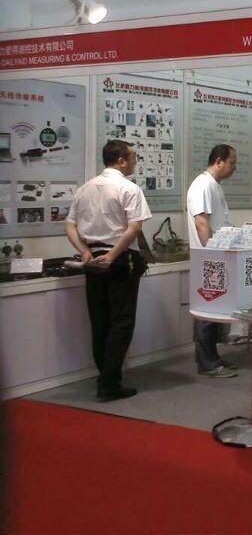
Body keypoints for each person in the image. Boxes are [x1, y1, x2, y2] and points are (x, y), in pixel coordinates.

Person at [65, 140, 152, 402]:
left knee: (100, 320)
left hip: (93, 260)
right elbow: (134, 228)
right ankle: (110, 383)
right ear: (121, 161)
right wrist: (112, 256)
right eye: (133, 157)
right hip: (121, 260)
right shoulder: (129, 188)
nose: (135, 161)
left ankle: (104, 375)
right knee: (121, 322)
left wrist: (85, 252)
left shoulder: (85, 189)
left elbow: (70, 226)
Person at [186, 144, 239, 379]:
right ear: (219, 161)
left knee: (216, 308)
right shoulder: (203, 185)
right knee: (207, 311)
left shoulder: (214, 185)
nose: (234, 168)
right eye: (232, 163)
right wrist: (212, 254)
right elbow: (202, 223)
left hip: (216, 257)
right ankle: (206, 363)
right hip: (209, 257)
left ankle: (212, 357)